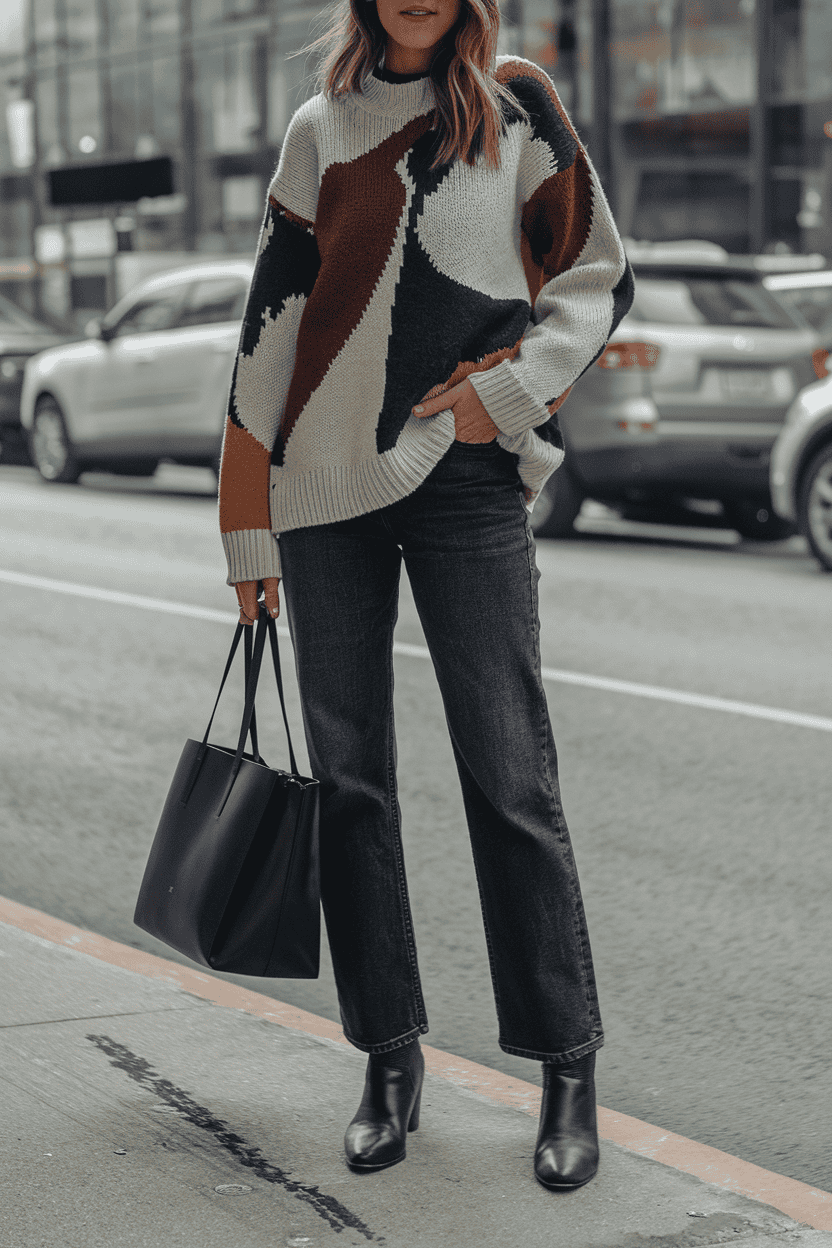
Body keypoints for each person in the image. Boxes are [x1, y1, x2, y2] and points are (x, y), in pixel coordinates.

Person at [218, 0, 633, 1190]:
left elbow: (596, 275)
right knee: (351, 785)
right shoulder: (318, 127)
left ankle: (564, 1068)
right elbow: (270, 329)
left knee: (510, 776)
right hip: (321, 495)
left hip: (463, 486)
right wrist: (248, 531)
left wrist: (498, 396)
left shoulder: (515, 101)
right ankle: (388, 1063)